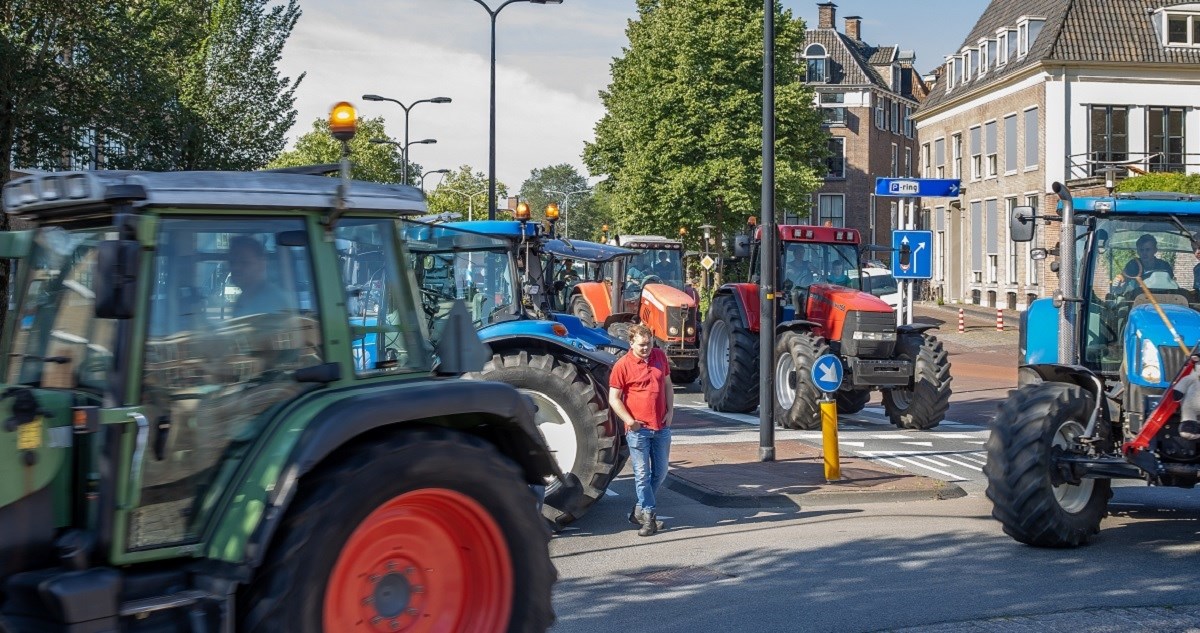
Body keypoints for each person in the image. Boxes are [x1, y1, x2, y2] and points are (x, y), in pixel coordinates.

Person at [609, 324, 673, 537]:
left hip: (661, 426)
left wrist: (670, 411)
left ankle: (639, 510)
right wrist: (629, 420)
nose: (646, 348)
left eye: (649, 344)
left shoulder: (659, 357)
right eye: (642, 345)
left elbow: (667, 384)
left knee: (661, 471)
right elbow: (614, 398)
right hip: (638, 430)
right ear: (631, 343)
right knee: (642, 474)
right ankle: (648, 516)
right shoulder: (622, 365)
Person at [228, 235, 291, 317]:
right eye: (232, 262)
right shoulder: (244, 298)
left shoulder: (273, 301)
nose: (235, 268)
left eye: (244, 262)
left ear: (262, 265)